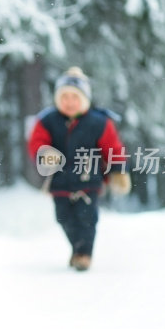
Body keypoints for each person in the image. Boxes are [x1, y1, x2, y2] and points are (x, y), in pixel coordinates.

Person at [27, 67, 131, 272]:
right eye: (64, 97)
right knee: (64, 217)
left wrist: (118, 171)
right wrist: (45, 153)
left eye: (74, 97)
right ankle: (76, 248)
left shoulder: (99, 122)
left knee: (87, 218)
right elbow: (36, 142)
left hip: (88, 180)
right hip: (60, 181)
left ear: (84, 99)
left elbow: (113, 148)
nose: (69, 101)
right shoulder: (48, 120)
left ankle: (85, 254)